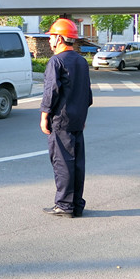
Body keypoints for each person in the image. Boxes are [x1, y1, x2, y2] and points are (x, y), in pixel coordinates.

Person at [40, 18, 93, 218]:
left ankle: (64, 204)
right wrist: (82, 116)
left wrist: (44, 115)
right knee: (77, 163)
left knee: (62, 162)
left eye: (52, 36)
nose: (50, 40)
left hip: (61, 120)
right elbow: (87, 94)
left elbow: (51, 92)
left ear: (60, 38)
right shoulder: (81, 61)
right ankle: (76, 204)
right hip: (77, 118)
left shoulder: (56, 61)